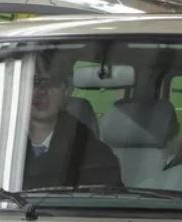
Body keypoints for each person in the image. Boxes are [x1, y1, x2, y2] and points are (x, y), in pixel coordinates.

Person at [23, 54, 122, 189]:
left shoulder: (93, 154)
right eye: (35, 82)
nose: (41, 91)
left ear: (67, 91)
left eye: (52, 82)